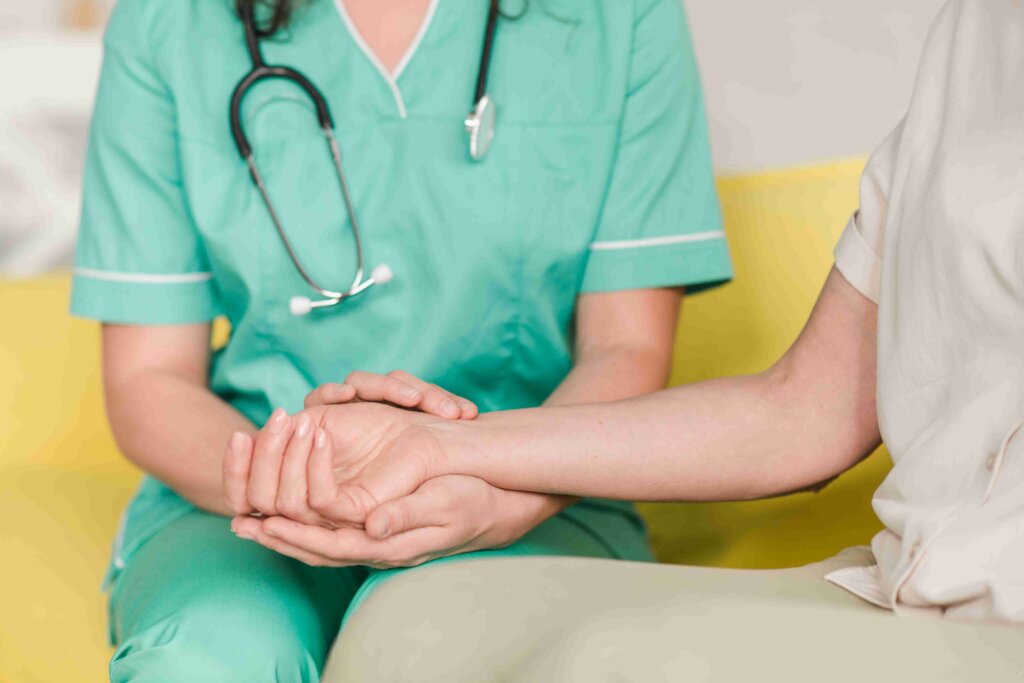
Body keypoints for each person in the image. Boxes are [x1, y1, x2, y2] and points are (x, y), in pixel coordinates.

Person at [226, 0, 1024, 678]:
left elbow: (628, 345)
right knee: (404, 631)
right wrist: (440, 448)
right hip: (911, 575)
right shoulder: (974, 33)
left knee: (611, 660)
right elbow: (805, 410)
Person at [70, 0, 731, 678]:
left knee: (435, 645)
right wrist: (291, 484)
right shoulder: (168, 20)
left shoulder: (621, 16)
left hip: (540, 488)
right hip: (239, 499)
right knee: (205, 657)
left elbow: (626, 348)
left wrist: (505, 492)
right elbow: (148, 379)